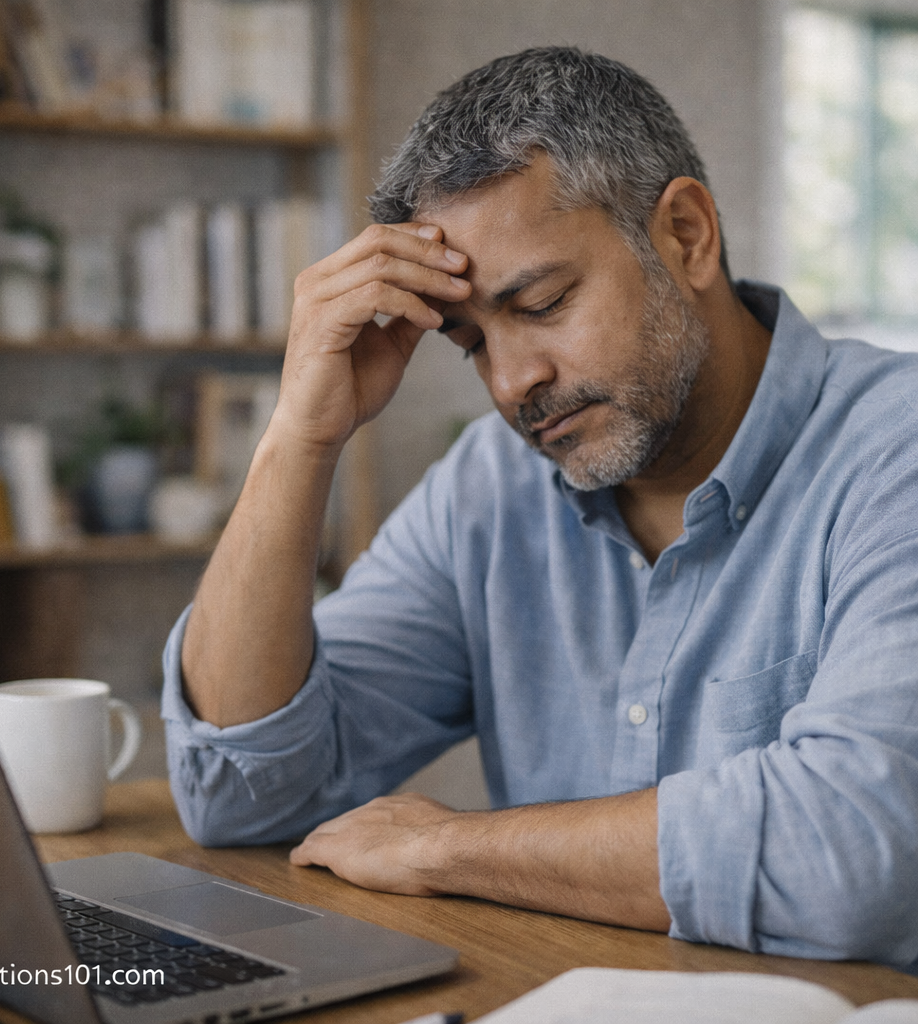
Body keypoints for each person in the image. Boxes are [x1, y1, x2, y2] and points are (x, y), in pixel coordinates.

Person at [163, 47, 918, 971]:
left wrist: (444, 847)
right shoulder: (489, 485)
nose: (515, 382)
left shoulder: (895, 450)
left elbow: (856, 853)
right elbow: (240, 791)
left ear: (686, 234)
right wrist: (299, 438)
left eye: (546, 302)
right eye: (472, 340)